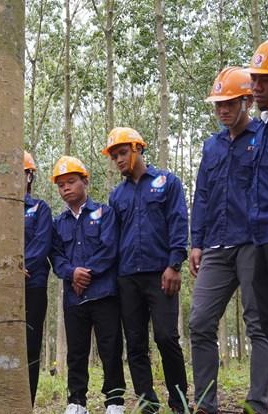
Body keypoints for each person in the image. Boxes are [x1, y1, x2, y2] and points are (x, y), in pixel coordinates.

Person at [189, 67, 268, 414]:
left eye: (229, 103)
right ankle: (206, 404)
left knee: (259, 324)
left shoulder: (263, 137)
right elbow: (202, 194)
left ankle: (256, 403)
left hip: (252, 243)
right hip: (216, 245)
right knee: (199, 322)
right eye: (218, 104)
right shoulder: (212, 146)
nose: (223, 110)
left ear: (246, 102)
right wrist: (196, 242)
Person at [103, 127, 189, 413]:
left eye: (122, 153)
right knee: (136, 344)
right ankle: (147, 403)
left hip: (161, 273)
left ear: (138, 149)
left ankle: (179, 401)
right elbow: (112, 240)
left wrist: (174, 264)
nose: (117, 159)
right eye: (114, 155)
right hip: (127, 278)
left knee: (166, 337)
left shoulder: (168, 182)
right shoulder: (116, 196)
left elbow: (178, 222)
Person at [49, 156, 125, 414]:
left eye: (71, 182)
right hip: (74, 298)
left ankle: (115, 401)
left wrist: (86, 273)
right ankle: (76, 401)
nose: (66, 188)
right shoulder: (58, 223)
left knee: (110, 348)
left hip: (104, 294)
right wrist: (72, 273)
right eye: (61, 185)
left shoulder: (105, 213)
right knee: (77, 352)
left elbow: (109, 247)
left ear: (85, 181)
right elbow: (55, 255)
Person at [248, 39, 268, 349]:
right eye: (254, 78)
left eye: (264, 79)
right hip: (260, 236)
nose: (256, 86)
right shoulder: (262, 128)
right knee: (266, 316)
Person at [22, 151, 52, 405]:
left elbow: (42, 245)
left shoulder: (39, 208)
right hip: (0, 288)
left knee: (31, 345)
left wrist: (19, 268)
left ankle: (27, 402)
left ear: (29, 177)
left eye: (22, 173)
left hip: (32, 284)